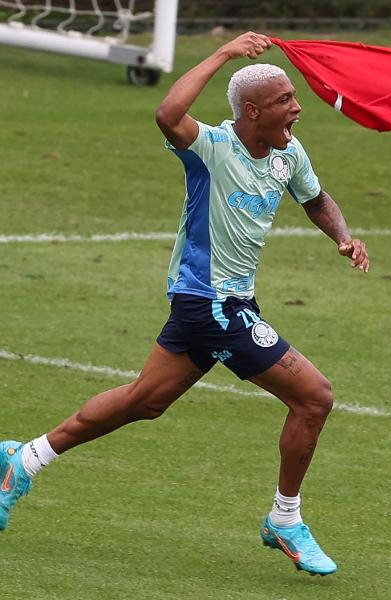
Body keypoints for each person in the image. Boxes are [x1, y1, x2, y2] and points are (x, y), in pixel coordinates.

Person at [0, 32, 369, 576]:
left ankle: (22, 461)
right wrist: (223, 53)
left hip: (228, 303)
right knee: (314, 397)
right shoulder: (212, 147)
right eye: (285, 100)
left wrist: (342, 235)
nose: (297, 108)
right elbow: (168, 112)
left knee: (144, 401)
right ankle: (285, 518)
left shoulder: (289, 154)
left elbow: (315, 198)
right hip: (212, 306)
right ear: (252, 110)